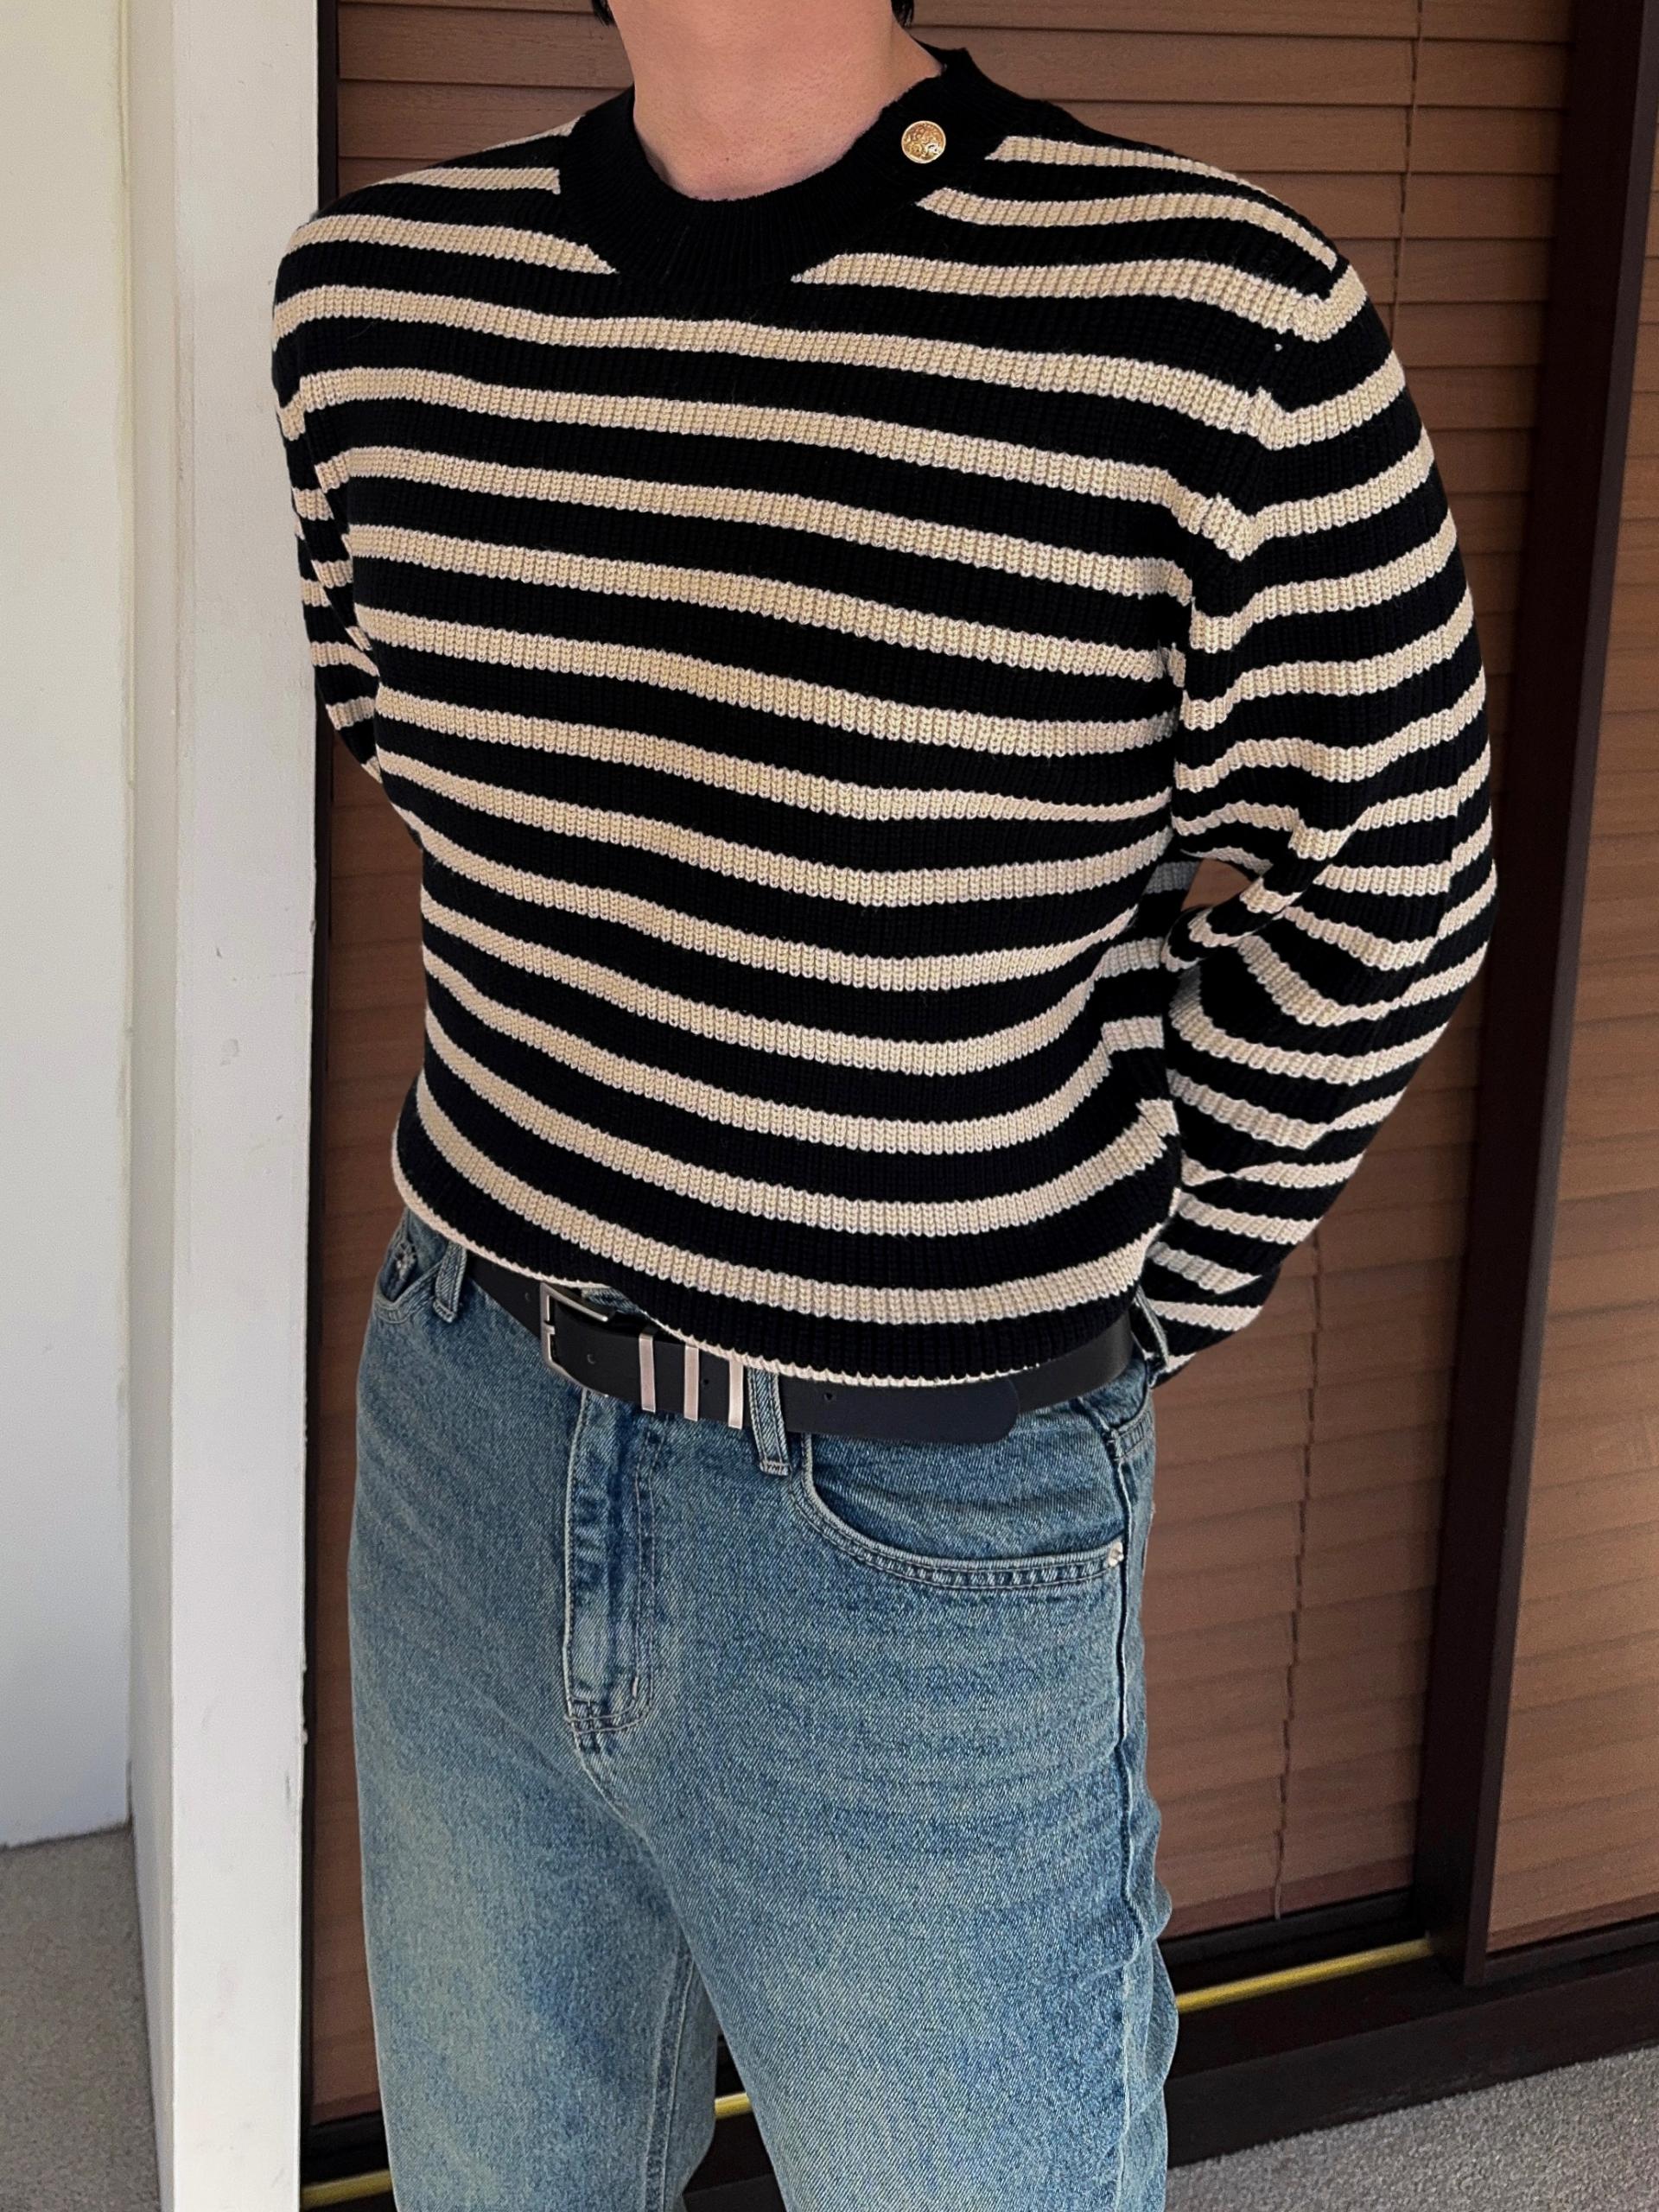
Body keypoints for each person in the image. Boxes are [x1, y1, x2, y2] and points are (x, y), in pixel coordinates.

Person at [270, 0, 1497, 2203]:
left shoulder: (1213, 324)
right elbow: (433, 772)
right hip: (466, 1419)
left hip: (916, 1526)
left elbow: (1396, 880)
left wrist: (1108, 1289)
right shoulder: (371, 309)